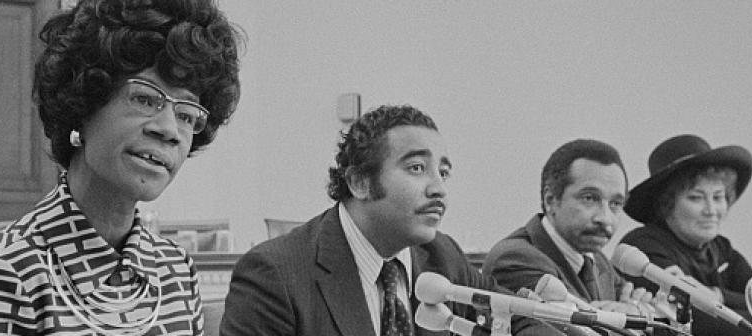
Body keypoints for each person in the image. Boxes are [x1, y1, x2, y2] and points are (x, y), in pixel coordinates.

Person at [0, 0, 244, 336]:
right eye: (145, 98)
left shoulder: (175, 269)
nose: (169, 130)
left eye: (186, 113)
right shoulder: (5, 272)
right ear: (84, 104)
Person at [219, 105, 562, 336]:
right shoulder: (275, 273)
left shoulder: (443, 257)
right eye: (417, 168)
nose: (439, 189)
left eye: (444, 173)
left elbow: (519, 320)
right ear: (360, 182)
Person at [483, 139, 662, 336]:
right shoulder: (515, 259)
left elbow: (641, 313)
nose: (605, 218)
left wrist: (635, 312)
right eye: (589, 198)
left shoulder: (598, 262)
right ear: (550, 200)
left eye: (615, 204)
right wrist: (625, 321)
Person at [617, 134, 752, 336]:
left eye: (718, 197)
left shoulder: (721, 249)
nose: (711, 210)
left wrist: (717, 296)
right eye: (696, 198)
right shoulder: (643, 247)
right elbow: (698, 323)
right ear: (666, 204)